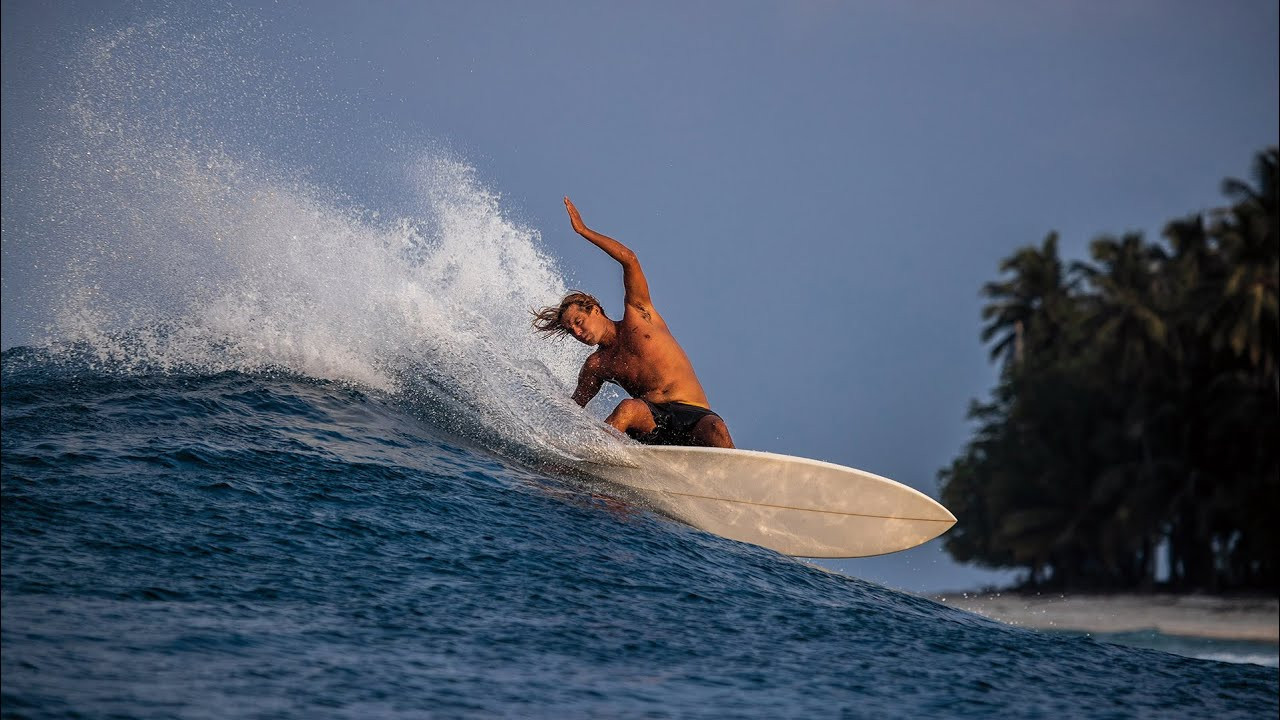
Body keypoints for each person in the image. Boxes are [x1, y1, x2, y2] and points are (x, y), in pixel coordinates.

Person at [532, 197, 734, 448]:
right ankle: (595, 456)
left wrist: (584, 231)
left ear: (595, 309)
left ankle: (740, 480)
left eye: (578, 321)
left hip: (692, 413)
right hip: (650, 422)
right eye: (571, 330)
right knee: (628, 408)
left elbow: (629, 259)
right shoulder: (597, 365)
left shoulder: (639, 314)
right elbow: (575, 408)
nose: (576, 331)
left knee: (717, 428)